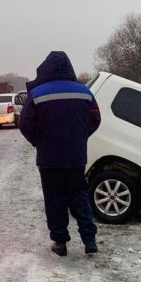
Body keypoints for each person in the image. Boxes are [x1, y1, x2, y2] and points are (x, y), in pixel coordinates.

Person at [19, 51, 101, 257]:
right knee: (79, 195)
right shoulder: (84, 92)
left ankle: (60, 242)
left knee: (54, 198)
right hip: (76, 156)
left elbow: (25, 123)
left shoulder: (37, 94)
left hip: (49, 158)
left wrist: (38, 142)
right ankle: (89, 240)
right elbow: (96, 119)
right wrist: (81, 137)